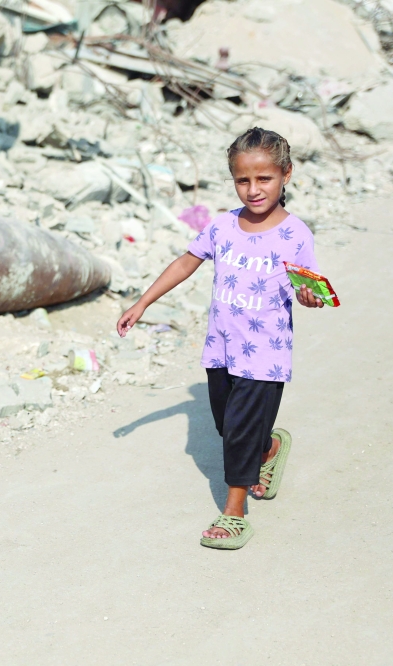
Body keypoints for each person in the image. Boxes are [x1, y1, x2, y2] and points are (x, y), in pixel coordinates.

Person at [116, 127, 326, 550]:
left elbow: (313, 292)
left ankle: (234, 514)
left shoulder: (296, 235)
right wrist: (143, 303)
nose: (253, 189)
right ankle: (267, 449)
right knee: (227, 428)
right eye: (242, 180)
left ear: (286, 174)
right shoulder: (223, 226)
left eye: (264, 178)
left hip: (265, 355)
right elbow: (185, 263)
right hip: (222, 349)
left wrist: (309, 298)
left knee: (240, 432)